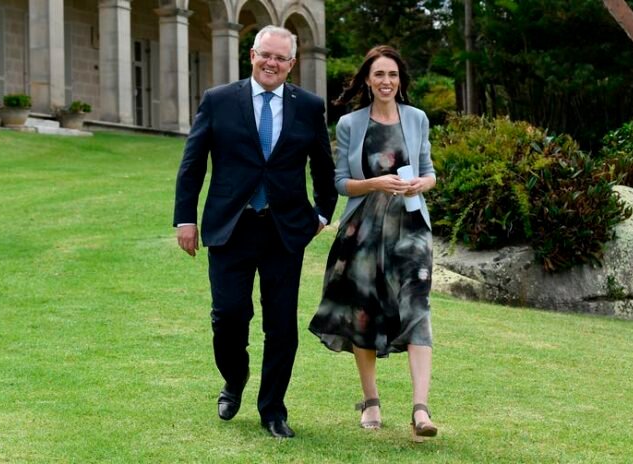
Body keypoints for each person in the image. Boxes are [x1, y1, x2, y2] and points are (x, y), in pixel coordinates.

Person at [174, 25, 337, 439]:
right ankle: (235, 377)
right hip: (231, 226)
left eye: (281, 58)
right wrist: (186, 219)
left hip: (285, 231)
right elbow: (193, 163)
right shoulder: (219, 101)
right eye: (266, 55)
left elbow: (323, 166)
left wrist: (322, 215)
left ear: (292, 64)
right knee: (228, 316)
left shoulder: (308, 106)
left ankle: (273, 410)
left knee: (280, 324)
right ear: (251, 55)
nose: (272, 63)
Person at [308, 45, 439, 442]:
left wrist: (422, 182)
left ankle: (421, 408)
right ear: (367, 79)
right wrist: (377, 183)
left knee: (417, 306)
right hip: (362, 231)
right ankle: (371, 400)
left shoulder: (417, 118)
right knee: (363, 312)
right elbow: (341, 183)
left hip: (411, 226)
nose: (386, 82)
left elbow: (430, 171)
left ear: (400, 81)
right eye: (379, 74)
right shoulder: (350, 124)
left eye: (393, 75)